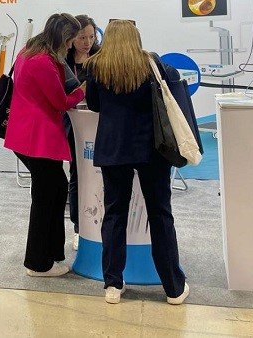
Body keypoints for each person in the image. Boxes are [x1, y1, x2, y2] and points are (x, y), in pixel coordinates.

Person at [84, 20, 189, 305]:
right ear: (136, 37)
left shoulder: (96, 66)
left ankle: (113, 284)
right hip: (151, 149)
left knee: (114, 214)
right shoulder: (152, 64)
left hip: (113, 148)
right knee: (160, 214)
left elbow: (94, 104)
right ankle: (173, 287)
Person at [4, 13, 86, 277]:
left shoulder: (28, 52)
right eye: (73, 39)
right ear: (65, 37)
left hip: (26, 135)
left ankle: (50, 255)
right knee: (46, 197)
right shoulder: (43, 61)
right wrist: (83, 90)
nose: (73, 45)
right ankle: (38, 263)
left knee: (55, 189)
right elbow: (60, 102)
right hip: (37, 138)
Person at [63, 14, 100, 250]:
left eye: (91, 37)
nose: (87, 42)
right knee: (77, 175)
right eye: (82, 37)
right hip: (73, 125)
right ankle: (79, 227)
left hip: (98, 124)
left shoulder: (100, 58)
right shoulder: (62, 61)